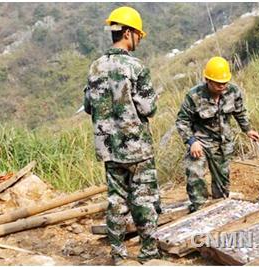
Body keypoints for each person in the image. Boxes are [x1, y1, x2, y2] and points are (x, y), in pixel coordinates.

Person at [83, 6, 160, 264]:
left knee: (116, 202)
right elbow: (149, 108)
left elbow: (88, 106)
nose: (139, 39)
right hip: (137, 150)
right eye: (138, 34)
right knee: (144, 200)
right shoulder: (136, 67)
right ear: (127, 33)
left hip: (110, 149)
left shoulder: (95, 68)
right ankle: (148, 254)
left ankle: (118, 256)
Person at [176, 56, 259, 212]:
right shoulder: (194, 96)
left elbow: (240, 112)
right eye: (218, 83)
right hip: (200, 142)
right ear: (207, 80)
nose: (222, 86)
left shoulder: (233, 92)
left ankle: (220, 207)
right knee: (195, 174)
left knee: (222, 181)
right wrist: (192, 141)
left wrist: (247, 129)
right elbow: (182, 122)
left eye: (225, 82)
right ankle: (199, 208)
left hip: (223, 142)